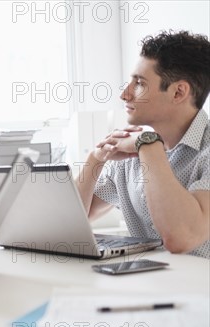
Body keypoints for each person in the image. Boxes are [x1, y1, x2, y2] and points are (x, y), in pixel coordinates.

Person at [76, 30, 210, 258]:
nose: (124, 94)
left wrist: (147, 144)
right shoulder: (133, 154)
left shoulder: (150, 147)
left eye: (139, 83)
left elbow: (181, 237)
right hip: (148, 287)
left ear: (178, 92)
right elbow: (75, 219)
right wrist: (96, 158)